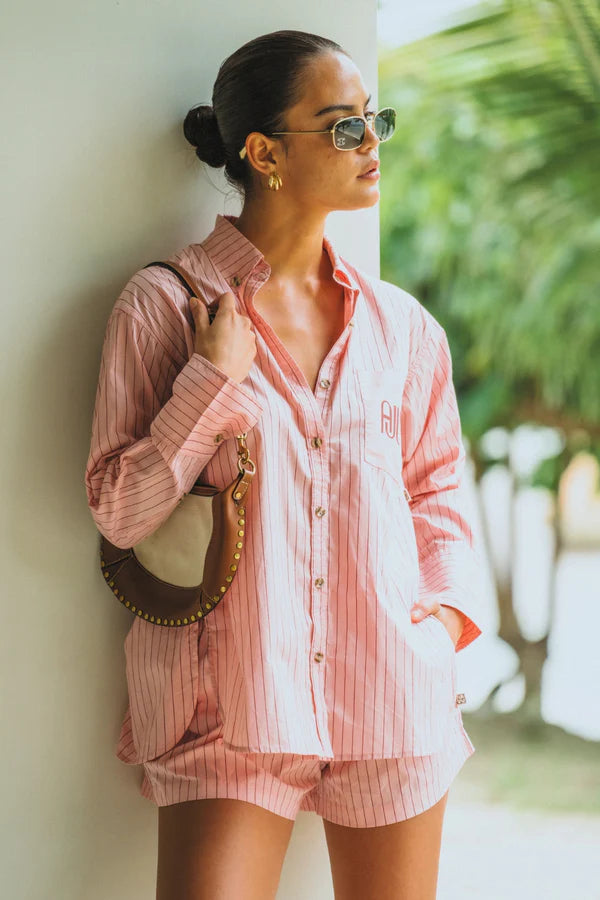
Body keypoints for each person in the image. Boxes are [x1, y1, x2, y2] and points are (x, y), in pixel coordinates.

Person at [85, 28, 485, 900]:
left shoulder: (404, 329)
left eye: (375, 119)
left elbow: (436, 488)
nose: (371, 141)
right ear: (264, 153)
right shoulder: (166, 307)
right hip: (228, 704)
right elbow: (118, 510)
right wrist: (208, 382)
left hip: (390, 698)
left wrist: (444, 621)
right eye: (343, 126)